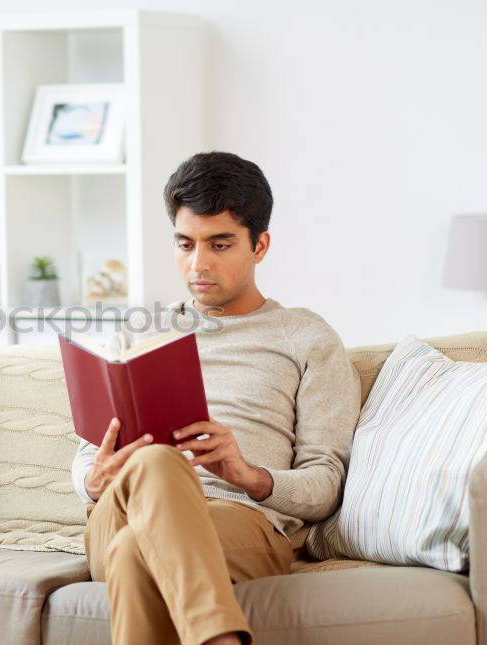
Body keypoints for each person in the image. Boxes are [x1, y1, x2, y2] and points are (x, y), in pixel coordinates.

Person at [71, 151, 361, 645]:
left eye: (220, 244)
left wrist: (248, 475)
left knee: (133, 554)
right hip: (121, 510)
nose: (198, 264)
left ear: (260, 245)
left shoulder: (306, 338)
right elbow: (84, 458)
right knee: (158, 462)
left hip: (241, 521)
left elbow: (325, 483)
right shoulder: (141, 334)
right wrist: (94, 480)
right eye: (185, 244)